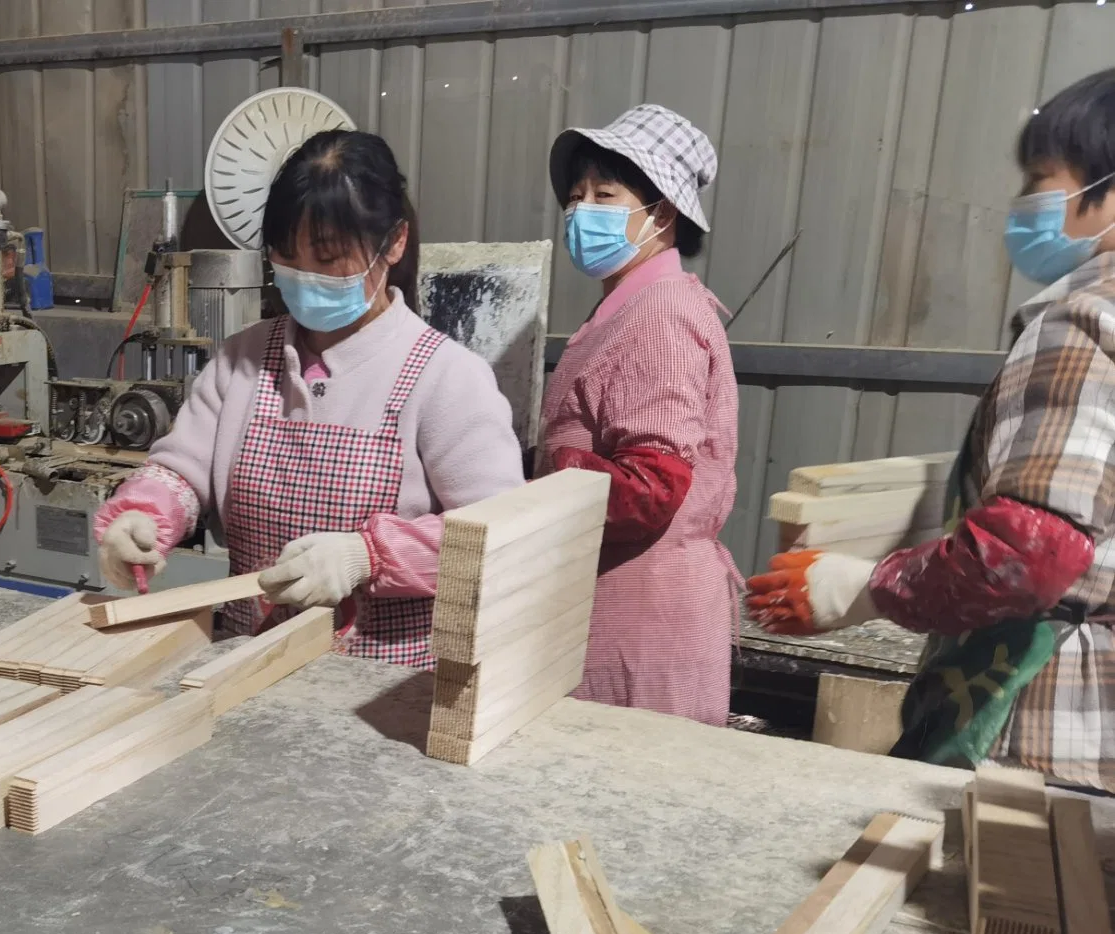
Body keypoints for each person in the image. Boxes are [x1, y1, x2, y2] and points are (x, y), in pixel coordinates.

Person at [747, 68, 1115, 790]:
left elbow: (1030, 552)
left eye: (1043, 177)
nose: (1025, 203)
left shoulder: (1080, 324)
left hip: (1031, 739)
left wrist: (864, 588)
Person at [93, 129, 523, 667]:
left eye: (329, 256)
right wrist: (143, 516)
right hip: (248, 664)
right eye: (287, 257)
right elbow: (182, 471)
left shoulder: (445, 377)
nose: (305, 278)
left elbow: (504, 535)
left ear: (394, 242)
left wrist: (366, 556)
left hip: (383, 687)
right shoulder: (242, 358)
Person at [535, 104, 741, 724]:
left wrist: (547, 477)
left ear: (663, 212)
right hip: (622, 600)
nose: (581, 211)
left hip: (644, 616)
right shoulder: (632, 307)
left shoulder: (658, 315)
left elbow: (652, 489)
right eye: (575, 196)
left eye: (605, 193)